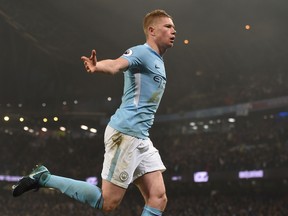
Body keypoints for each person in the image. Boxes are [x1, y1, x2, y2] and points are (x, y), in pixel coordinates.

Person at [12, 9, 176, 216]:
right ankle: (44, 178)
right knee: (108, 203)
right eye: (168, 26)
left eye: (173, 27)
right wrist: (98, 66)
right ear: (152, 30)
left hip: (141, 137)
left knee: (158, 197)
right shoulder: (141, 52)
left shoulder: (159, 61)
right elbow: (116, 65)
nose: (174, 31)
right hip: (125, 134)